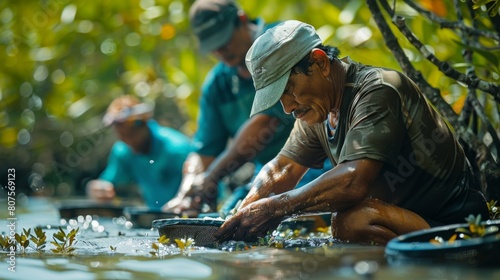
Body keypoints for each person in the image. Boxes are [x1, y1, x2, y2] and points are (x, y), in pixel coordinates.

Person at [214, 20, 490, 245]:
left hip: (454, 223)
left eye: (287, 89)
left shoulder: (378, 90)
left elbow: (353, 181)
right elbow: (283, 169)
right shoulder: (317, 111)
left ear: (320, 62)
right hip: (402, 218)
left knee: (352, 221)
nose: (287, 108)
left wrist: (276, 209)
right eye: (278, 98)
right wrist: (246, 211)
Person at [163, 0, 331, 216]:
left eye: (223, 40)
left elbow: (266, 122)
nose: (220, 50)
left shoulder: (280, 40)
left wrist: (213, 176)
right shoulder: (218, 84)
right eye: (213, 45)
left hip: (319, 163)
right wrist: (188, 188)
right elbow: (204, 151)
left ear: (241, 20)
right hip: (268, 172)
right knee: (230, 215)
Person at [86, 95, 194, 211]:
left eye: (132, 135)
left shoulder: (176, 149)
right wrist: (97, 189)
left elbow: (204, 181)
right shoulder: (124, 151)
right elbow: (108, 182)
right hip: (154, 220)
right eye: (123, 137)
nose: (129, 142)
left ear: (145, 125)